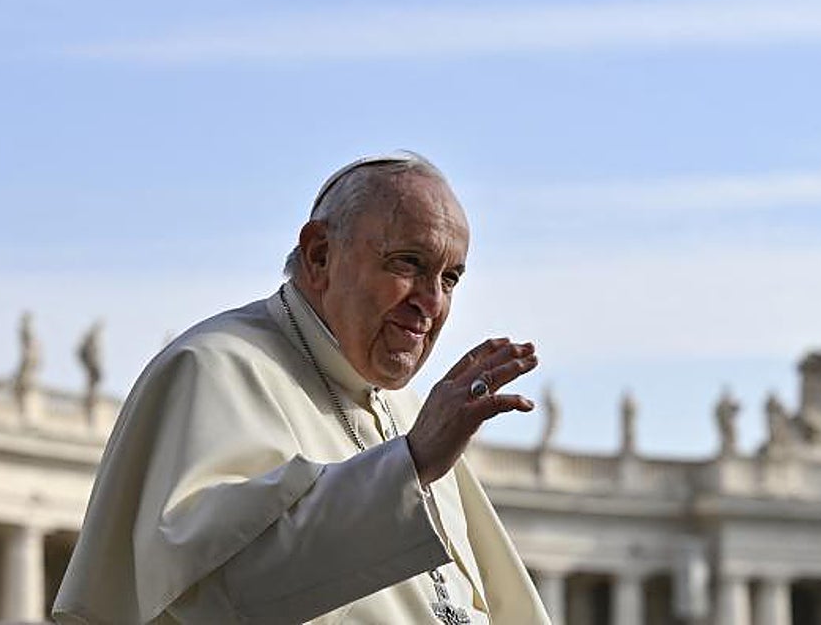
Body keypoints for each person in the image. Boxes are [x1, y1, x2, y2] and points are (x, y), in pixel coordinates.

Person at [54, 153, 550, 624]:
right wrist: (410, 464)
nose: (431, 302)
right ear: (319, 255)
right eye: (407, 263)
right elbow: (217, 601)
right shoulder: (213, 368)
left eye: (450, 278)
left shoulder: (407, 409)